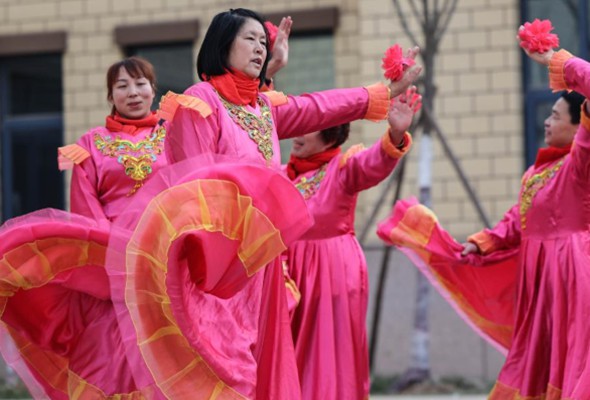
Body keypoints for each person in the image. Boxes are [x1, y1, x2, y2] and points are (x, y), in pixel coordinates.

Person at [106, 8, 422, 400]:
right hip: (216, 265)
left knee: (260, 362)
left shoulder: (263, 108)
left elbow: (319, 106)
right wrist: (215, 260)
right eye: (249, 39)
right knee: (224, 362)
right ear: (223, 45)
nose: (259, 47)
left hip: (263, 261)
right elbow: (192, 189)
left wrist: (384, 92)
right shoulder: (199, 102)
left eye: (262, 41)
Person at [377, 44, 590, 398]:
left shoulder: (579, 166)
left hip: (574, 272)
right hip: (542, 283)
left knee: (575, 356)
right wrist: (481, 243)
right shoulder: (539, 172)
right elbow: (517, 223)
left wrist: (559, 62)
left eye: (555, 116)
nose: (547, 122)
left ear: (580, 124)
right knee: (539, 361)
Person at [0, 57, 167, 398]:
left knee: (166, 356)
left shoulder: (176, 135)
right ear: (110, 96)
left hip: (164, 260)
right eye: (122, 86)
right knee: (109, 359)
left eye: (140, 84)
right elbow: (86, 208)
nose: (132, 93)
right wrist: (118, 257)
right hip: (113, 267)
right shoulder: (89, 144)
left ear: (154, 89)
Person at [285, 87, 420, 399]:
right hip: (288, 277)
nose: (297, 133)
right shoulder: (281, 175)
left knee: (328, 356)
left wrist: (395, 135)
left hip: (330, 274)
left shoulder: (343, 169)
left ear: (331, 132)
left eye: (308, 125)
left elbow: (372, 163)